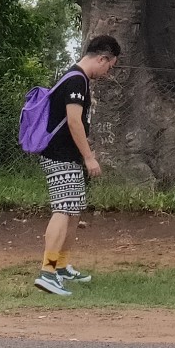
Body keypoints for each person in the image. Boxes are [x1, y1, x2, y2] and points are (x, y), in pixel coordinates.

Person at [33, 33, 120, 297]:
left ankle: (60, 266)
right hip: (60, 155)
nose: (107, 72)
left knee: (73, 210)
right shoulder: (76, 80)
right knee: (62, 210)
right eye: (110, 66)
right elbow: (74, 122)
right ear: (102, 58)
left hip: (67, 156)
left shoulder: (76, 79)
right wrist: (89, 157)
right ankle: (47, 272)